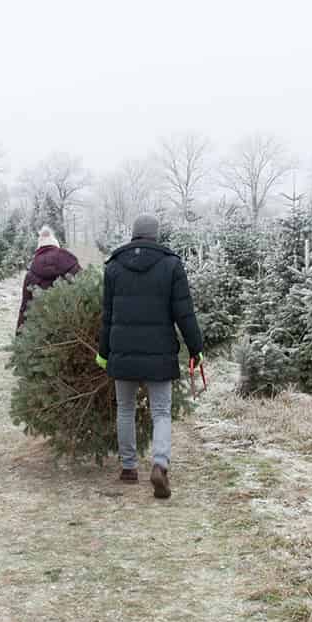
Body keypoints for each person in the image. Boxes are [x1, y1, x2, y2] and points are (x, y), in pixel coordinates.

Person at [97, 212, 204, 499]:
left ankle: (129, 468)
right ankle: (159, 464)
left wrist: (103, 352)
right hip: (159, 353)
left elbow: (107, 316)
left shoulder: (114, 266)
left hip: (123, 350)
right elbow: (184, 312)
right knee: (160, 412)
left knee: (126, 409)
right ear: (156, 235)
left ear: (133, 234)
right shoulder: (171, 264)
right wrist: (196, 348)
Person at [17, 226, 82, 331]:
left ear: (39, 248)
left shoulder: (30, 273)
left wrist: (19, 336)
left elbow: (26, 307)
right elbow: (85, 292)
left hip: (42, 331)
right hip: (73, 329)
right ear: (56, 245)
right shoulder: (71, 264)